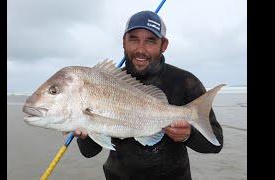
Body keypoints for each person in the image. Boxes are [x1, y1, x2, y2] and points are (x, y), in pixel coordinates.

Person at [66, 10, 223, 180]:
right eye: (133, 39)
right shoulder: (105, 82)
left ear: (163, 45)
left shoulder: (185, 81)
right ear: (124, 42)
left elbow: (215, 144)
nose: (140, 49)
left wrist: (189, 135)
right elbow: (89, 153)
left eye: (150, 41)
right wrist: (84, 131)